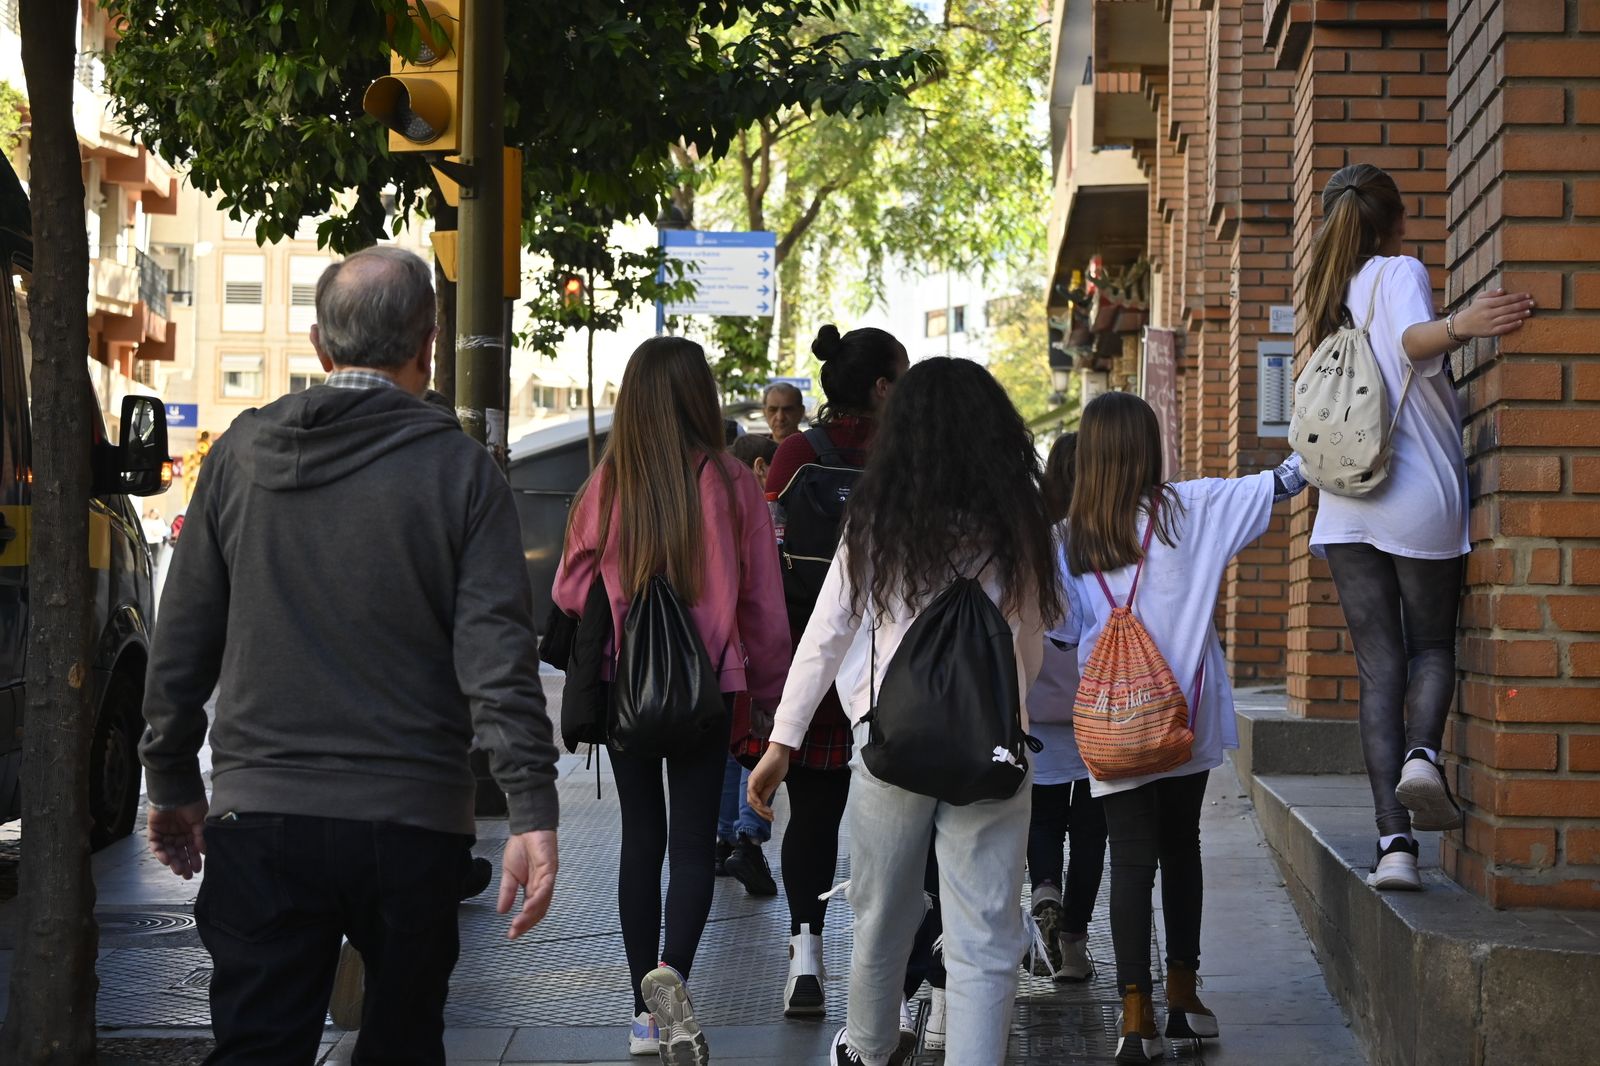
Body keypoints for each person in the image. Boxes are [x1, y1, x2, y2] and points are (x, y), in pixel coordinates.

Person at [139, 245, 561, 1065]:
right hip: (412, 824)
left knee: (257, 1048)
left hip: (260, 817)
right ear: (427, 345)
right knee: (403, 1043)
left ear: (318, 347)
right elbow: (497, 661)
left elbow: (181, 635)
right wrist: (531, 810)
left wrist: (174, 781)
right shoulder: (463, 473)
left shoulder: (238, 458)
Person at [750, 356, 1059, 1066]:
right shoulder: (1017, 521)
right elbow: (1031, 642)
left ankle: (868, 1049)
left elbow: (829, 630)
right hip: (992, 751)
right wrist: (1004, 709)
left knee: (882, 915)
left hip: (893, 743)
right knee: (984, 933)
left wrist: (783, 741)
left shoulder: (880, 515)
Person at [552, 337, 789, 1065]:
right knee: (692, 848)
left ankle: (641, 1021)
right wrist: (773, 695)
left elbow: (567, 589)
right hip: (708, 690)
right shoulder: (730, 480)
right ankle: (673, 981)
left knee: (640, 846)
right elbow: (762, 606)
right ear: (699, 397)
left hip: (628, 692)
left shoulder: (609, 483)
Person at [1051, 391, 1307, 1065]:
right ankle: (1185, 997)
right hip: (1186, 720)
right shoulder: (1188, 509)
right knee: (1180, 848)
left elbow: (1057, 631)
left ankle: (1134, 1017)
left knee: (1129, 861)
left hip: (1112, 729)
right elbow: (1285, 481)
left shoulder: (1069, 539)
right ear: (1148, 446)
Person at [1302, 163, 1532, 891]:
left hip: (1343, 506)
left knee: (1379, 670)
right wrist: (1464, 324)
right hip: (1413, 494)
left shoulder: (1328, 295)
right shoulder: (1398, 271)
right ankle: (1423, 756)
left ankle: (1394, 847)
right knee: (1430, 643)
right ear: (1395, 221)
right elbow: (1409, 339)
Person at [762, 324, 908, 1019]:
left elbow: (768, 558)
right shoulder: (907, 459)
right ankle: (899, 973)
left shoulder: (794, 454)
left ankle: (806, 954)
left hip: (811, 661)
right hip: (890, 672)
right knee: (895, 825)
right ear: (882, 387)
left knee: (811, 816)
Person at [1025, 432, 1106, 984]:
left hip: (1043, 700)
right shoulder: (1112, 543)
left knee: (1045, 812)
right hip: (1102, 706)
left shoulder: (1038, 543)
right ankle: (1073, 945)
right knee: (1093, 828)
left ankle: (1044, 889)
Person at [716, 432, 782, 894]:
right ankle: (747, 838)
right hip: (752, 653)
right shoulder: (764, 515)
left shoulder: (711, 510)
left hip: (718, 654)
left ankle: (723, 839)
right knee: (757, 746)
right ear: (759, 468)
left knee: (728, 750)